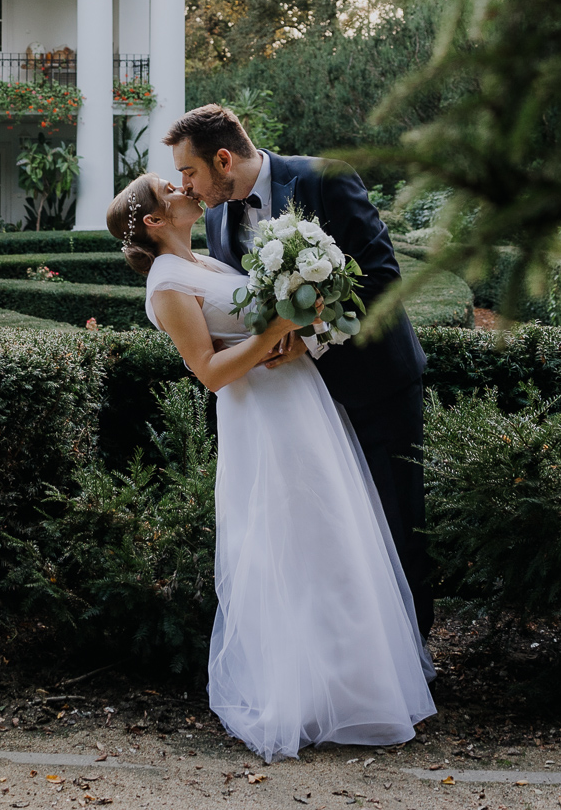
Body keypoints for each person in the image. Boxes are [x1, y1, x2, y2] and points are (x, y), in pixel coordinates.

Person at [108, 173, 435, 764]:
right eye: (167, 188)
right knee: (290, 543)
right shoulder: (166, 284)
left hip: (301, 402)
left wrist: (301, 325)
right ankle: (300, 696)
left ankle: (356, 687)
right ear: (154, 221)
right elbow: (208, 371)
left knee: (332, 537)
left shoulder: (205, 260)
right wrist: (279, 328)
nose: (182, 188)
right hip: (261, 418)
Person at [163, 104, 434, 637]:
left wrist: (307, 335)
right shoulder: (216, 217)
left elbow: (382, 279)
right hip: (300, 404)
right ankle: (353, 648)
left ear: (224, 160)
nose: (185, 185)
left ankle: (412, 653)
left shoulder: (323, 179)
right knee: (335, 533)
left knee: (395, 520)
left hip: (374, 384)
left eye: (189, 171)